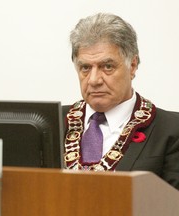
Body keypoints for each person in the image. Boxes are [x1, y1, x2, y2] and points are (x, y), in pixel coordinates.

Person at [63, 13, 179, 190]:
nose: (94, 80)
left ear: (132, 66)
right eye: (85, 67)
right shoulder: (52, 122)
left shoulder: (171, 129)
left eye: (107, 66)